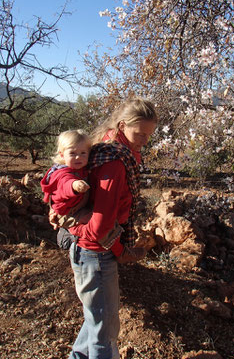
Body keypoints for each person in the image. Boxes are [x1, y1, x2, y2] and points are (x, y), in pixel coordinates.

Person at [64, 97, 158, 359]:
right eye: (140, 134)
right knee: (105, 336)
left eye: (149, 135)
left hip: (89, 252)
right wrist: (120, 250)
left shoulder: (111, 145)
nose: (145, 141)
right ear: (122, 126)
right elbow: (101, 227)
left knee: (98, 320)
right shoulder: (114, 162)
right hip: (96, 254)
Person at [41, 129, 92, 233]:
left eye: (83, 153)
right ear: (62, 154)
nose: (78, 157)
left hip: (75, 209)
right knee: (96, 221)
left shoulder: (80, 168)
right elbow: (65, 183)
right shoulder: (61, 173)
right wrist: (75, 185)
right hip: (67, 215)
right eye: (72, 153)